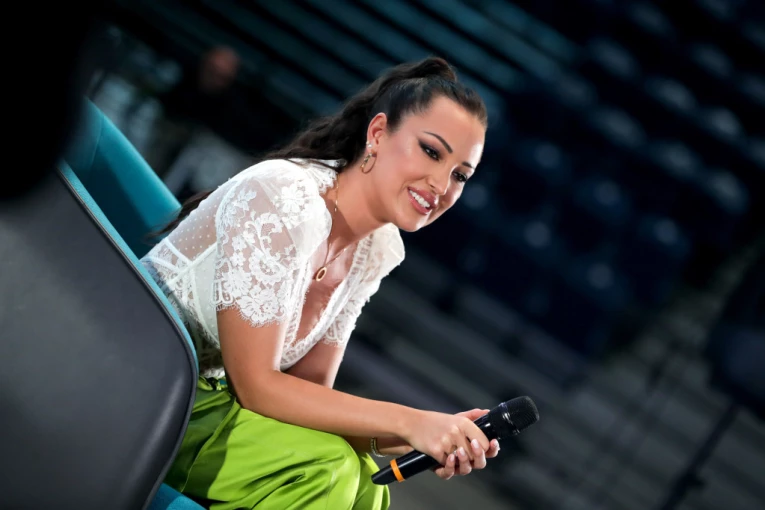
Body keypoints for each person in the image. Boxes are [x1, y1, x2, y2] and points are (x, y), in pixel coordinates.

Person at [141, 56, 499, 510]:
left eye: (460, 175)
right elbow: (257, 387)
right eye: (431, 151)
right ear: (377, 133)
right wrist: (409, 421)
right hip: (144, 381)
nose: (441, 185)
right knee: (329, 471)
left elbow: (308, 400)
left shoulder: (374, 249)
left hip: (208, 407)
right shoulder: (285, 195)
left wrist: (432, 434)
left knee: (369, 485)